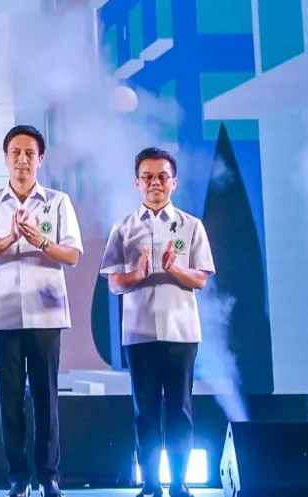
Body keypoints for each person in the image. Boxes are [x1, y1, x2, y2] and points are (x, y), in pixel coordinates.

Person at [0, 125, 82, 497]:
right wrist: (10, 239)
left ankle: (49, 476)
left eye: (29, 153)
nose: (22, 159)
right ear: (5, 158)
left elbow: (72, 255)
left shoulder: (57, 202)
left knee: (46, 398)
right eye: (15, 152)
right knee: (11, 400)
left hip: (46, 313)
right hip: (3, 315)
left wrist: (41, 240)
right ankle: (18, 476)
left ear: (40, 159)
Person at [100, 147, 214, 497]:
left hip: (181, 332)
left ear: (173, 182)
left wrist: (174, 268)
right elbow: (114, 283)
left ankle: (179, 483)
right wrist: (137, 273)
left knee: (180, 410)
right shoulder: (123, 228)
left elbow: (201, 279)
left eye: (162, 176)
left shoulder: (191, 226)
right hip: (139, 333)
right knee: (145, 411)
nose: (155, 183)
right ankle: (150, 483)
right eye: (147, 177)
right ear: (137, 182)